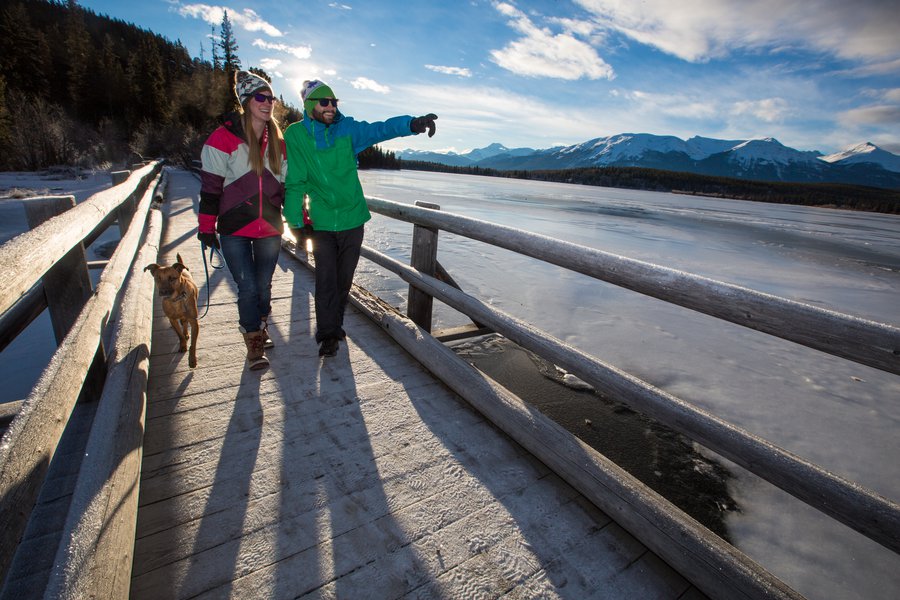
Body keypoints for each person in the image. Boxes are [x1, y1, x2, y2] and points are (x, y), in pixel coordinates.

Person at [284, 79, 437, 358]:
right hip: (321, 222)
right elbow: (295, 181)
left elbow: (379, 129)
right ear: (309, 105)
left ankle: (336, 324)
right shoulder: (296, 135)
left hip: (353, 220)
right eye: (324, 102)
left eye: (334, 102)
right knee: (326, 279)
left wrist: (412, 124)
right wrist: (295, 223)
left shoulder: (348, 129)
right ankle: (327, 334)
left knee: (343, 281)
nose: (331, 107)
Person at [197, 70, 287, 370]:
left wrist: (301, 216)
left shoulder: (278, 141)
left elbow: (287, 185)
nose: (268, 103)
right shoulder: (222, 138)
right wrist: (206, 227)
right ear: (246, 101)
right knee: (247, 286)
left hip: (271, 228)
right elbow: (210, 189)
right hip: (235, 228)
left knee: (263, 286)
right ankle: (254, 342)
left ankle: (261, 325)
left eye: (271, 97)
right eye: (261, 97)